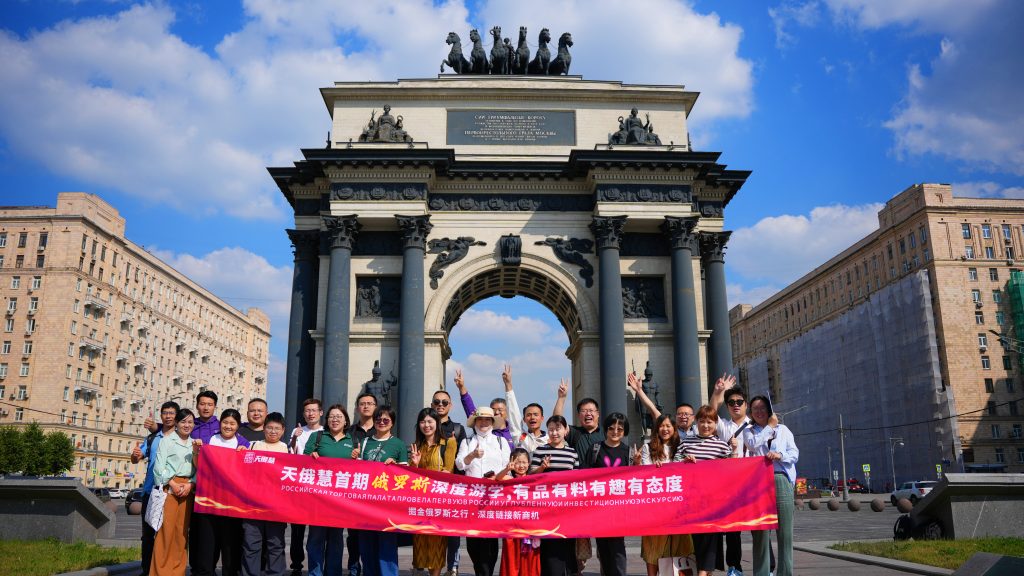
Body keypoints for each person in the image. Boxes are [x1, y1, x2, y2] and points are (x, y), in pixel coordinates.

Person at [675, 406, 735, 576]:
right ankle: (706, 571)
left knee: (711, 537)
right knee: (698, 540)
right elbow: (674, 465)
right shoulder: (686, 443)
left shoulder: (722, 446)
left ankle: (702, 573)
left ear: (716, 424)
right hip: (691, 501)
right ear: (696, 422)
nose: (706, 425)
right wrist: (685, 461)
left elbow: (732, 471)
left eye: (710, 422)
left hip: (714, 502)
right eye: (702, 421)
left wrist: (735, 450)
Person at [743, 397, 798, 576]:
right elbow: (753, 445)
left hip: (780, 478)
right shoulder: (749, 431)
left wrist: (780, 455)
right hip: (758, 482)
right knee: (760, 532)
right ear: (751, 412)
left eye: (762, 408)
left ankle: (785, 572)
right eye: (755, 409)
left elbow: (794, 453)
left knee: (785, 532)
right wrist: (769, 428)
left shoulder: (784, 430)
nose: (759, 412)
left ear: (769, 410)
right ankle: (761, 573)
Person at [552, 379, 600, 575]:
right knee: (577, 535)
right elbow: (557, 421)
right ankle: (577, 568)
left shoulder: (607, 434)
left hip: (601, 493)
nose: (588, 414)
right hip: (578, 493)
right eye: (583, 411)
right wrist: (562, 398)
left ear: (597, 414)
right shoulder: (575, 434)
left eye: (591, 411)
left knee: (607, 538)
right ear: (579, 415)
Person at [457, 406, 511, 576]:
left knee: (490, 542)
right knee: (473, 543)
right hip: (472, 499)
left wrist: (497, 477)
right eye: (480, 419)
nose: (484, 423)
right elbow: (459, 464)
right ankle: (481, 571)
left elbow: (508, 468)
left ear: (493, 422)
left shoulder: (501, 442)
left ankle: (485, 573)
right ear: (475, 422)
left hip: (493, 499)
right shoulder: (467, 441)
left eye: (488, 420)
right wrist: (472, 455)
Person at [355, 406, 407, 576]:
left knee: (387, 545)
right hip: (366, 503)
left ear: (392, 423)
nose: (381, 423)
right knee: (366, 546)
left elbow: (405, 476)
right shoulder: (364, 442)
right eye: (378, 419)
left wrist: (396, 466)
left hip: (388, 504)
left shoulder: (398, 444)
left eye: (386, 420)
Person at [197, 409, 249, 576]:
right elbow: (198, 463)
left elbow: (248, 471)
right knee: (208, 541)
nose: (228, 426)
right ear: (220, 423)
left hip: (231, 501)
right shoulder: (209, 439)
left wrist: (245, 454)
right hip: (208, 498)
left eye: (232, 423)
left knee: (230, 542)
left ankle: (230, 572)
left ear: (238, 426)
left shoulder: (243, 443)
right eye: (225, 422)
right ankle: (206, 572)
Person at [305, 404, 356, 576]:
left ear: (346, 421)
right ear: (326, 420)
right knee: (315, 539)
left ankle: (333, 573)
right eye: (331, 416)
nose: (335, 420)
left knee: (336, 539)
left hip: (340, 500)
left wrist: (358, 459)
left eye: (339, 416)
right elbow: (302, 462)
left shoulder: (353, 441)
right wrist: (310, 457)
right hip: (318, 499)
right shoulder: (317, 437)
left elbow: (359, 471)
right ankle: (315, 573)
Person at [638, 415, 692, 576]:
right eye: (662, 426)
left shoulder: (681, 447)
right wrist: (654, 469)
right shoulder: (648, 448)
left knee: (679, 544)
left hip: (678, 506)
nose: (665, 429)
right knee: (652, 545)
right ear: (656, 429)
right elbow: (644, 473)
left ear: (674, 429)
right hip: (654, 506)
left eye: (668, 426)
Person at [131, 401, 178, 576]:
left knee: (168, 536)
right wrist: (135, 455)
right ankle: (147, 570)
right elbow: (137, 458)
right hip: (151, 492)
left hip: (172, 494)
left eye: (172, 413)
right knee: (148, 535)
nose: (168, 416)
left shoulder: (181, 438)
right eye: (165, 413)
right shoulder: (152, 438)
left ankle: (165, 570)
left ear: (176, 416)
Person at [240, 411, 290, 576]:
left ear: (283, 430)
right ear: (264, 429)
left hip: (276, 507)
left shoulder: (289, 450)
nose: (273, 431)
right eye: (269, 428)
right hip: (252, 506)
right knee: (251, 545)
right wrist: (239, 453)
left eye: (277, 428)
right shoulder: (253, 446)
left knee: (275, 545)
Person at [409, 408, 457, 576]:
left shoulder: (448, 443)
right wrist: (414, 464)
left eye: (430, 421)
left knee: (437, 543)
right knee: (421, 544)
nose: (426, 425)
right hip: (421, 502)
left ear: (437, 423)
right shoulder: (418, 445)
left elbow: (448, 470)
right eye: (423, 422)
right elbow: (412, 476)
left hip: (438, 501)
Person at [150, 408, 197, 576]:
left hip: (187, 489)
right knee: (165, 531)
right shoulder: (167, 441)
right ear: (176, 423)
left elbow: (199, 469)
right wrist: (173, 484)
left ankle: (177, 571)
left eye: (190, 422)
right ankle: (159, 572)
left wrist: (191, 484)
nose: (187, 425)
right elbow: (158, 468)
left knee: (181, 533)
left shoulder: (195, 444)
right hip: (169, 487)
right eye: (183, 421)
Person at [529, 415, 578, 576]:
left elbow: (578, 479)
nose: (554, 432)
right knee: (548, 547)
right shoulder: (540, 450)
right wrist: (542, 468)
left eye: (558, 429)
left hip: (566, 509)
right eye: (551, 429)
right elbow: (530, 477)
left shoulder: (572, 452)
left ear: (566, 430)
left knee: (567, 546)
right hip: (545, 509)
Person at [709, 376, 744, 576]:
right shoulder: (725, 427)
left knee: (760, 528)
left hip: (750, 482)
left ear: (745, 404)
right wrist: (718, 392)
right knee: (731, 528)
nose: (735, 405)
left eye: (739, 402)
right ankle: (733, 567)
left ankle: (769, 568)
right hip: (728, 485)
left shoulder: (755, 425)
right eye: (731, 403)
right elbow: (711, 412)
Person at [431, 388, 467, 576]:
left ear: (450, 406)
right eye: (437, 402)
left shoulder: (458, 429)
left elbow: (462, 460)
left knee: (453, 530)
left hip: (452, 487)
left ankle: (452, 566)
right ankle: (430, 564)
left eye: (444, 402)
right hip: (430, 488)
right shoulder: (426, 425)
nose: (440, 405)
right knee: (430, 527)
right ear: (432, 405)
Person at [590, 413, 630, 576]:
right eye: (611, 428)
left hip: (619, 509)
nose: (615, 431)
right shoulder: (595, 449)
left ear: (625, 431)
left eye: (620, 429)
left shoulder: (628, 452)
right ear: (605, 429)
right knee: (603, 549)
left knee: (617, 548)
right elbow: (585, 476)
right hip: (599, 508)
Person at [290, 398, 325, 576]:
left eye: (314, 410)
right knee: (297, 529)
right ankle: (296, 564)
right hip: (299, 484)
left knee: (317, 529)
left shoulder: (325, 432)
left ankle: (317, 565)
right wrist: (294, 438)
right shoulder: (297, 431)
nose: (310, 414)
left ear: (321, 412)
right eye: (307, 411)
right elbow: (290, 454)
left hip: (319, 485)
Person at [495, 448, 539, 576]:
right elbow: (498, 479)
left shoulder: (533, 479)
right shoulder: (509, 478)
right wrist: (507, 469)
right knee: (511, 558)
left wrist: (542, 467)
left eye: (524, 462)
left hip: (529, 527)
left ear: (529, 463)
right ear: (512, 463)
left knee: (529, 560)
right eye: (518, 462)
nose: (521, 465)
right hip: (511, 526)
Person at [348, 392, 378, 576]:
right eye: (362, 403)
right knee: (353, 535)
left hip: (375, 490)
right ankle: (353, 567)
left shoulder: (381, 429)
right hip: (354, 489)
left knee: (373, 533)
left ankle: (370, 568)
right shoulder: (350, 432)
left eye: (369, 403)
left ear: (375, 406)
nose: (366, 406)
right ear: (357, 407)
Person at [453, 368, 514, 449]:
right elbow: (470, 408)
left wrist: (508, 383)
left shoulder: (513, 431)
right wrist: (462, 387)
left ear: (507, 411)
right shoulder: (484, 428)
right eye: (493, 409)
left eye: (500, 410)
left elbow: (512, 405)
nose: (496, 412)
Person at [627, 372, 697, 437]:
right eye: (680, 414)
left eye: (686, 414)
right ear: (676, 417)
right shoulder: (672, 431)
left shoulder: (698, 431)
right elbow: (652, 409)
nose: (683, 416)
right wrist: (639, 390)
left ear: (693, 418)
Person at [502, 365, 548, 455]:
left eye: (535, 414)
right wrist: (508, 385)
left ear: (542, 418)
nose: (532, 417)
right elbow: (513, 413)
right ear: (524, 419)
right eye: (528, 415)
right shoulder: (520, 436)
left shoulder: (549, 439)